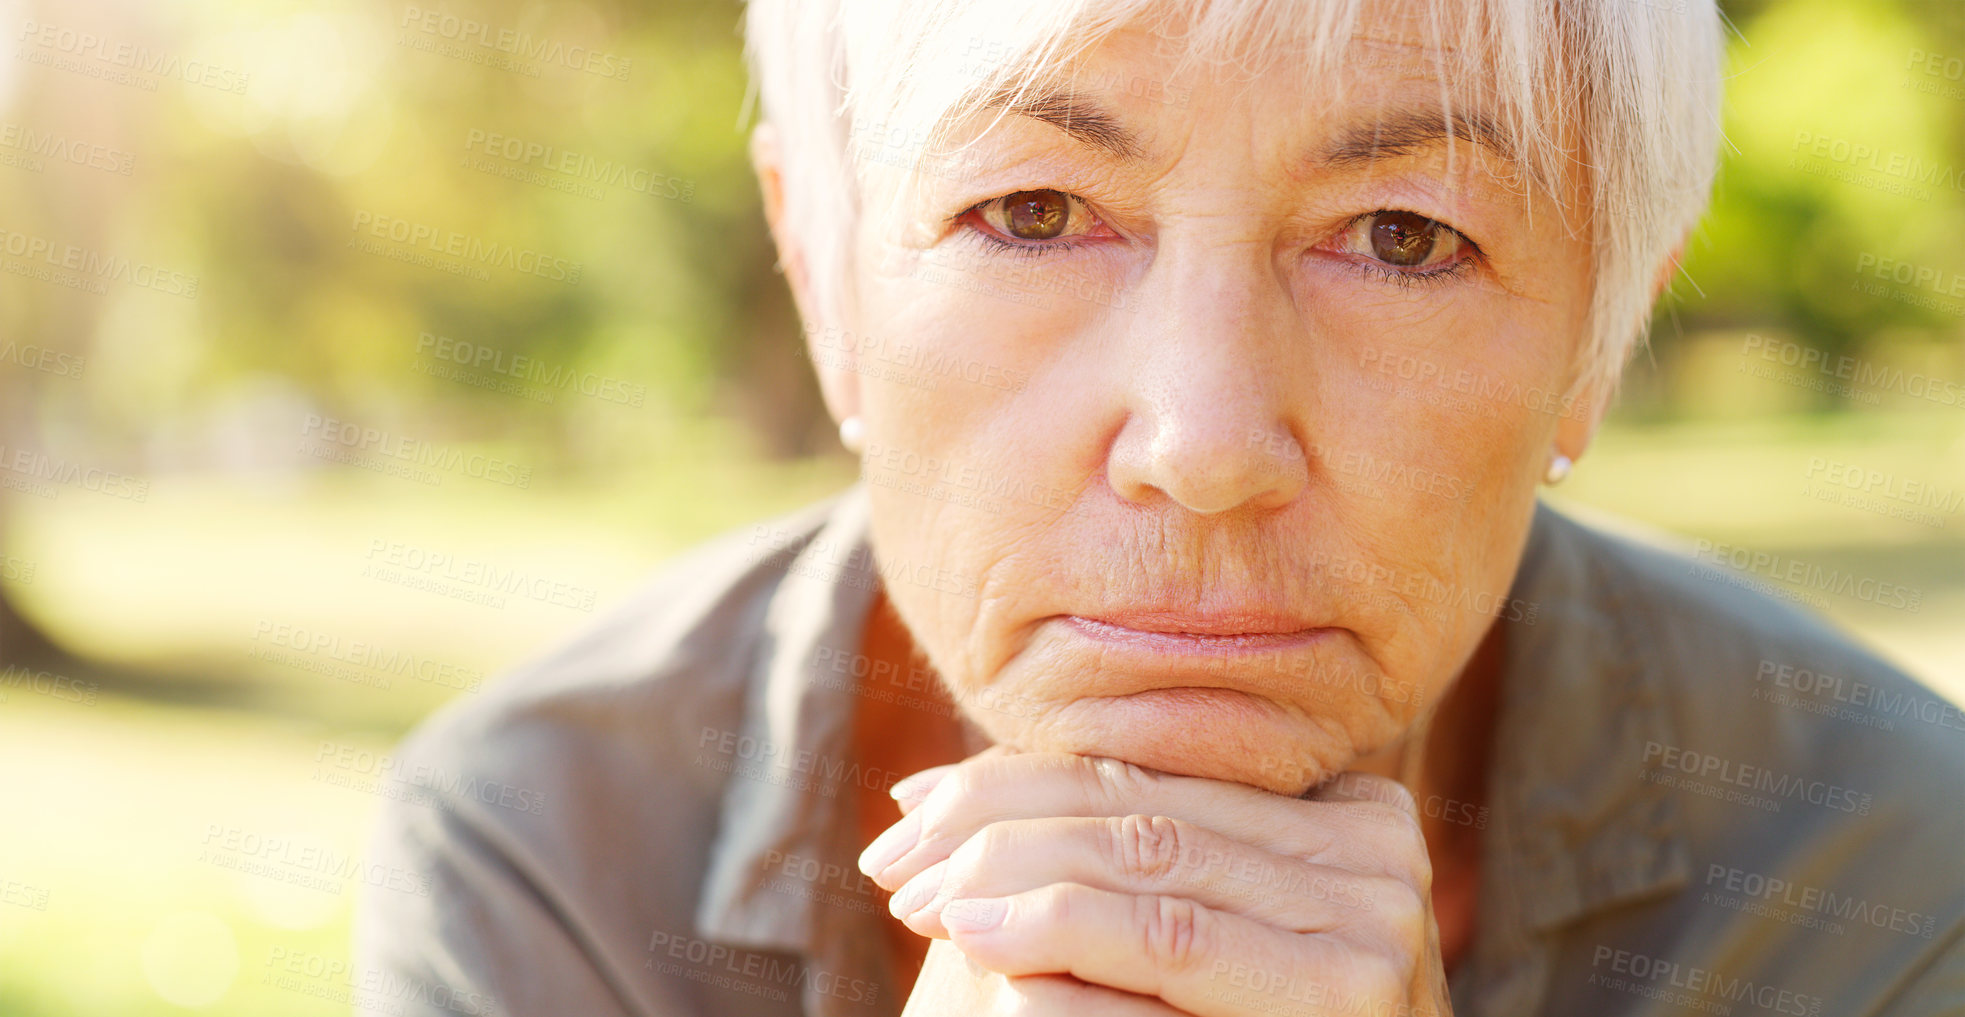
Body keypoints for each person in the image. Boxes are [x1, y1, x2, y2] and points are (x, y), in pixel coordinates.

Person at [355, 0, 1965, 1014]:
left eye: (1403, 237)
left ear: (1595, 338)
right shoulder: (543, 859)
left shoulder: (1890, 881)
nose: (1201, 443)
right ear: (822, 274)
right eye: (1033, 210)